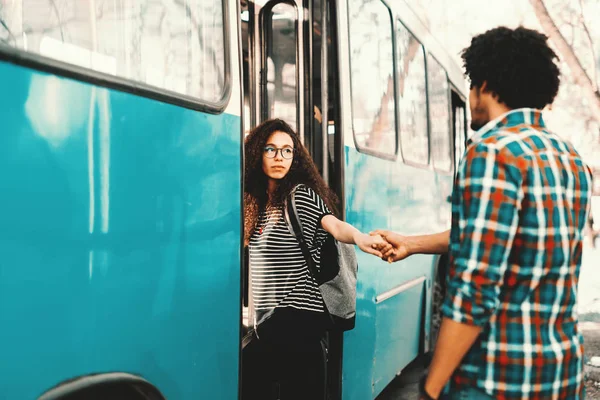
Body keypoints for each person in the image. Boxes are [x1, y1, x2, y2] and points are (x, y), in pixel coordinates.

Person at [373, 27, 593, 399]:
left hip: (497, 377)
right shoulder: (569, 156)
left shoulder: (491, 151)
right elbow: (504, 239)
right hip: (559, 372)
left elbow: (476, 288)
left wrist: (430, 387)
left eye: (472, 84)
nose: (471, 95)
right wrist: (410, 243)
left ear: (486, 85)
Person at [242, 118, 385, 400]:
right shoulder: (257, 204)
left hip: (298, 321)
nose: (279, 157)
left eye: (287, 150)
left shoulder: (300, 196)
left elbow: (332, 223)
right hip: (268, 322)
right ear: (258, 153)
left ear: (295, 158)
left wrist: (360, 238)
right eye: (271, 150)